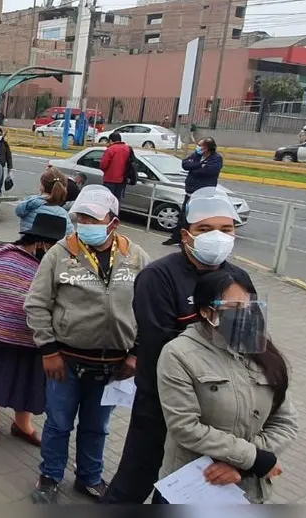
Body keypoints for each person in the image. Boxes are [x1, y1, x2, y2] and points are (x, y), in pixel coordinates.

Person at [101, 187, 251, 504]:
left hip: (216, 408)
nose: (218, 236)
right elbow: (160, 349)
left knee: (185, 489)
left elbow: (249, 341)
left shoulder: (238, 277)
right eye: (205, 229)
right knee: (134, 480)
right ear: (186, 234)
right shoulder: (158, 277)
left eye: (226, 229)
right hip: (162, 403)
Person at [24, 185, 151, 504]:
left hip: (115, 365)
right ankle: (51, 475)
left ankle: (89, 478)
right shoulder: (60, 253)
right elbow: (36, 304)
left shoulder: (135, 257)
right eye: (81, 217)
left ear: (114, 222)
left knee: (98, 427)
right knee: (58, 423)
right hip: (65, 361)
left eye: (93, 218)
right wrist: (48, 350)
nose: (85, 223)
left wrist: (137, 354)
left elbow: (150, 310)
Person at [156, 269, 297, 504]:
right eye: (233, 307)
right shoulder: (179, 354)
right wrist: (254, 459)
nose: (245, 314)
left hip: (246, 488)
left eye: (249, 305)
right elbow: (184, 427)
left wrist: (242, 465)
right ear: (206, 311)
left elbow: (285, 421)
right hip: (194, 483)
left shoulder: (261, 349)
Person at [0, 213, 67, 446]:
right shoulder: (9, 258)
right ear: (40, 242)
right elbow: (7, 291)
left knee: (28, 383)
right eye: (53, 244)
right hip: (2, 330)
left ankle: (22, 425)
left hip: (35, 338)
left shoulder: (51, 264)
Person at [165, 136, 224, 246]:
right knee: (183, 217)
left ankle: (190, 241)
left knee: (196, 219)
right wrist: (198, 164)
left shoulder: (216, 158)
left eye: (200, 145)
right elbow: (185, 164)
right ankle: (176, 237)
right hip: (190, 193)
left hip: (203, 195)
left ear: (206, 148)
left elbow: (207, 172)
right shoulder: (197, 155)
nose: (198, 147)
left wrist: (195, 167)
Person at [15, 167, 75, 236]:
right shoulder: (62, 214)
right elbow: (70, 238)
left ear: (42, 187)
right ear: (63, 188)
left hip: (26, 244)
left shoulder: (28, 205)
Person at [99, 132, 133, 200]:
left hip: (110, 179)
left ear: (111, 140)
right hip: (122, 180)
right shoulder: (128, 149)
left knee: (107, 200)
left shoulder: (111, 149)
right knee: (117, 200)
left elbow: (103, 165)